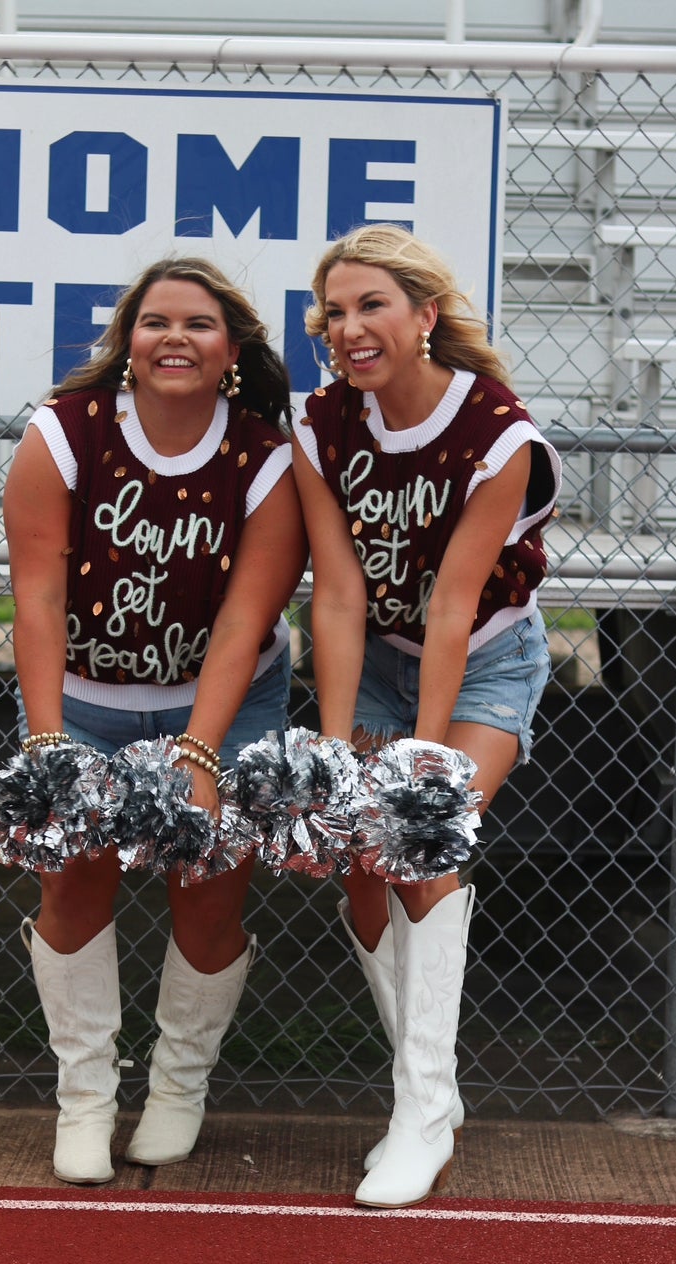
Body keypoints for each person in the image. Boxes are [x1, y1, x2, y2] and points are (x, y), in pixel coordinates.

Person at [6, 257, 306, 1185]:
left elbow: (243, 622)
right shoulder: (64, 433)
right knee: (73, 881)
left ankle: (177, 1090)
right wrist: (49, 741)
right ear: (127, 345)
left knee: (207, 884)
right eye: (155, 322)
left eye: (200, 325)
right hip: (87, 700)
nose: (175, 337)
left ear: (232, 353)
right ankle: (86, 1098)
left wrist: (199, 752)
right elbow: (38, 597)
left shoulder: (262, 455)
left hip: (225, 696)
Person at [293, 225, 562, 1209]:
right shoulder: (323, 423)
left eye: (372, 305)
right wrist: (332, 750)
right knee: (362, 868)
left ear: (424, 317)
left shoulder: (498, 432)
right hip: (374, 666)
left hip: (486, 663)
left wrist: (421, 757)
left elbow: (453, 606)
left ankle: (419, 1110)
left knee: (417, 839)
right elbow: (337, 595)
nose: (349, 326)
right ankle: (431, 1095)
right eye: (334, 310)